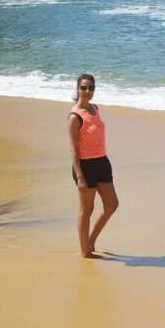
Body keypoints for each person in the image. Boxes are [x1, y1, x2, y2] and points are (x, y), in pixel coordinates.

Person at [68, 73, 119, 257]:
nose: (87, 91)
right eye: (84, 87)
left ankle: (90, 241)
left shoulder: (95, 109)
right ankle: (85, 252)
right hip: (85, 166)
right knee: (87, 210)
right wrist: (80, 177)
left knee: (112, 205)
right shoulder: (75, 116)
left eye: (91, 87)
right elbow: (73, 149)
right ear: (77, 89)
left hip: (102, 163)